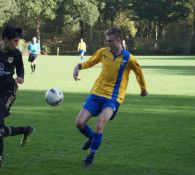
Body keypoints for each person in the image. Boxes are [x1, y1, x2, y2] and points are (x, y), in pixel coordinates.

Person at [73, 27, 148, 167]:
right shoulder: (103, 52)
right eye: (107, 40)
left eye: (111, 40)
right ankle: (92, 138)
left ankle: (90, 156)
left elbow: (139, 73)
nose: (108, 43)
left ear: (119, 40)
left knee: (100, 125)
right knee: (79, 123)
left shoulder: (128, 58)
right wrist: (79, 66)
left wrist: (143, 89)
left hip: (113, 98)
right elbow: (91, 61)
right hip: (96, 94)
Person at [0, 25, 34, 168]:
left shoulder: (16, 54)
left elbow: (20, 67)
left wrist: (20, 76)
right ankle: (25, 130)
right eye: (14, 41)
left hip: (8, 90)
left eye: (17, 41)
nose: (16, 44)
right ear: (5, 39)